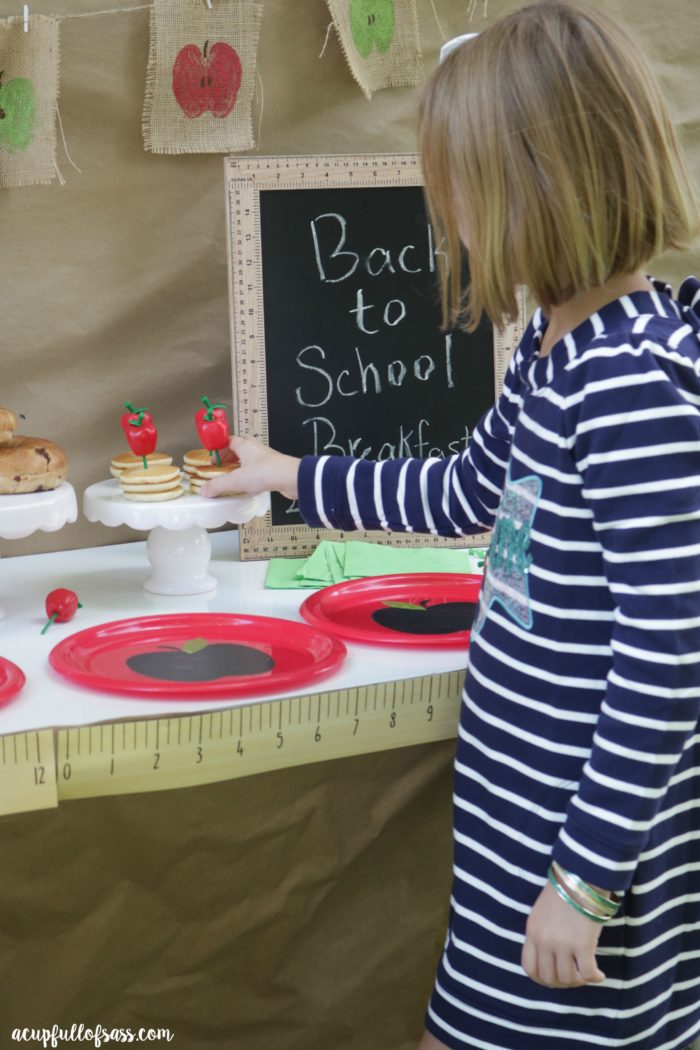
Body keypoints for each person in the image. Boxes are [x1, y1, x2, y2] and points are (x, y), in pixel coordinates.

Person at [203, 3, 700, 1047]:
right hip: (521, 837)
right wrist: (287, 472)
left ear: (529, 185)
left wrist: (585, 882)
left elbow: (669, 660)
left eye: (454, 190)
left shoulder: (628, 386)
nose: (446, 219)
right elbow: (460, 494)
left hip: (586, 861)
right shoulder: (559, 353)